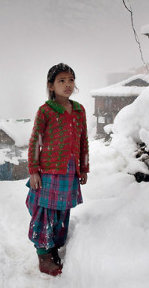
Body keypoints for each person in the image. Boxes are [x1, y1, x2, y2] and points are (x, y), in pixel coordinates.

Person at [25, 63, 89, 276]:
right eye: (61, 81)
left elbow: (83, 141)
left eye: (71, 80)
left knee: (62, 212)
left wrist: (84, 168)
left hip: (70, 171)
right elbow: (36, 141)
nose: (68, 84)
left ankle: (53, 248)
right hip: (50, 170)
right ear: (51, 86)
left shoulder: (79, 110)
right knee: (46, 212)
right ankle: (43, 256)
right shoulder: (46, 111)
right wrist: (33, 170)